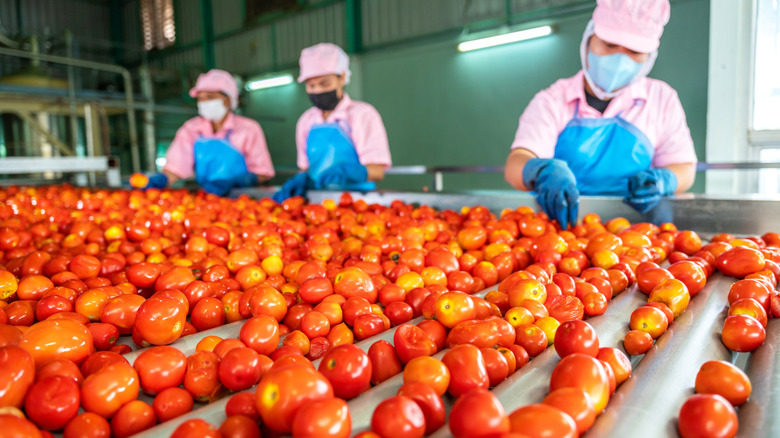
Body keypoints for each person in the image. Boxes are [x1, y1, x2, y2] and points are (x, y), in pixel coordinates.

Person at [504, 0, 697, 229]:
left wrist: (665, 180)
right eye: (609, 44)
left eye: (634, 52)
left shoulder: (661, 99)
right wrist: (542, 170)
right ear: (589, 38)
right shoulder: (551, 100)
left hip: (637, 231)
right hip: (563, 227)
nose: (619, 59)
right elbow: (516, 164)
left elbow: (684, 167)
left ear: (649, 56)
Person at [274, 43, 391, 201]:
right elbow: (305, 168)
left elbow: (377, 171)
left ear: (342, 77)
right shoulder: (306, 121)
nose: (317, 91)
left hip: (358, 202)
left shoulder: (362, 115)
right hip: (316, 202)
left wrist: (350, 172)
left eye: (325, 84)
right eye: (311, 85)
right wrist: (301, 179)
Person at [142, 69, 275, 196]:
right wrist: (161, 179)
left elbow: (263, 172)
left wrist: (238, 181)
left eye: (210, 97)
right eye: (200, 98)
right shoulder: (191, 129)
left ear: (227, 100)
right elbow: (176, 167)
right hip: (207, 197)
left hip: (243, 198)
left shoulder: (249, 129)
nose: (204, 102)